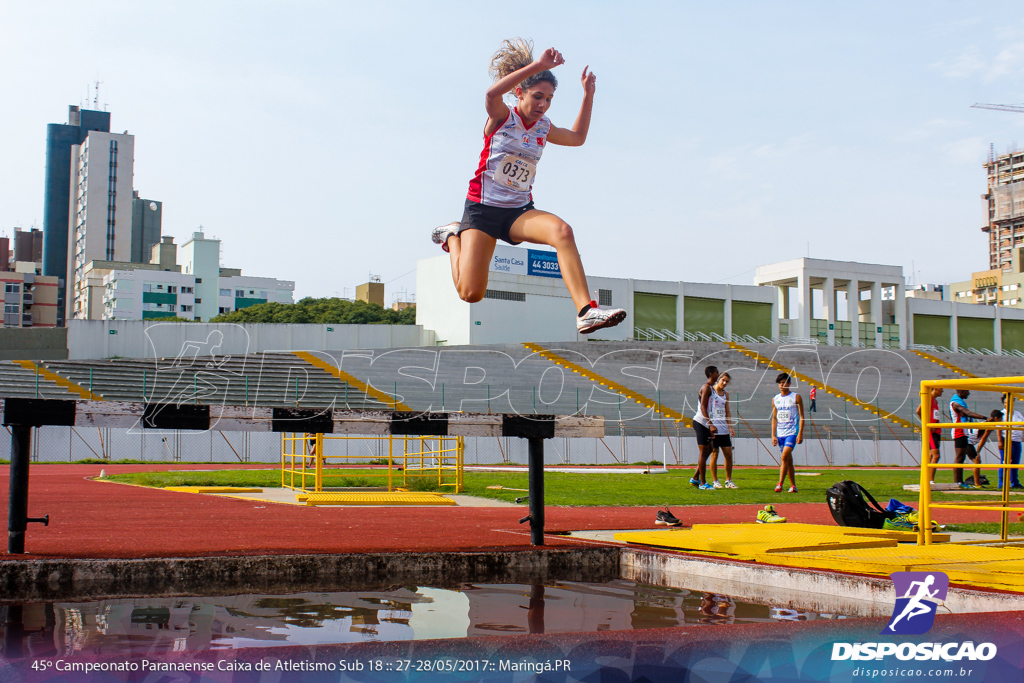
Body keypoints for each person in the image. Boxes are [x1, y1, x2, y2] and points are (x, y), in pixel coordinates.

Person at [431, 39, 627, 335]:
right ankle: (454, 235)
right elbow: (490, 93)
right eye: (537, 96)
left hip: (518, 212)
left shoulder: (543, 127)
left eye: (549, 99)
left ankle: (586, 311)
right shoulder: (501, 117)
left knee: (562, 232)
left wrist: (588, 94)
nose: (543, 105)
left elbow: (577, 138)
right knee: (470, 294)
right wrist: (538, 66)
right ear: (520, 92)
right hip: (482, 211)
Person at [770, 372, 803, 493]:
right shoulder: (775, 399)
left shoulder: (796, 397)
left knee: (784, 456)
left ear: (789, 383)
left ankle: (780, 484)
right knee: (788, 460)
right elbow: (774, 418)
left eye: (784, 382)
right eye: (780, 383)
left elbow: (802, 416)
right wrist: (773, 435)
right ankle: (793, 486)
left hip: (792, 432)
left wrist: (800, 433)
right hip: (780, 434)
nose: (782, 385)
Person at [949, 390, 988, 488]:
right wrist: (984, 417)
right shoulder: (956, 403)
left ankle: (960, 481)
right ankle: (958, 482)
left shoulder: (960, 402)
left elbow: (965, 414)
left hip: (964, 431)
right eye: (967, 392)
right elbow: (968, 413)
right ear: (961, 391)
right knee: (959, 457)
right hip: (959, 431)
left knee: (962, 457)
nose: (969, 394)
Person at [690, 365, 719, 491]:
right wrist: (710, 423)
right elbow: (702, 407)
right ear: (711, 373)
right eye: (717, 372)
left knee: (710, 449)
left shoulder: (712, 389)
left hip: (706, 423)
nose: (718, 375)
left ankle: (695, 477)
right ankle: (702, 483)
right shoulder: (706, 387)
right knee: (703, 452)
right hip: (701, 422)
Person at [707, 372, 738, 489]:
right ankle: (715, 481)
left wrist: (730, 426)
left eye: (727, 381)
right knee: (714, 453)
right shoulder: (710, 392)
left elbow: (727, 411)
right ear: (718, 379)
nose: (724, 383)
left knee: (728, 454)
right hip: (713, 429)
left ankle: (728, 480)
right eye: (723, 380)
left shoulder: (726, 395)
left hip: (724, 429)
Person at [998, 394, 1024, 490]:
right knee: (1005, 462)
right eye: (1005, 402)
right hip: (1007, 440)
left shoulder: (1017, 413)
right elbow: (998, 429)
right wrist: (1000, 441)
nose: (1007, 404)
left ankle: (1015, 482)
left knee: (1015, 462)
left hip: (1017, 440)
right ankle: (1002, 483)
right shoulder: (1002, 414)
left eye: (1009, 402)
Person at [919, 387, 944, 485]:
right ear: (935, 389)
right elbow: (918, 411)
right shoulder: (928, 398)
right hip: (931, 431)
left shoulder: (935, 401)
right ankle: (930, 480)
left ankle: (926, 478)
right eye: (941, 389)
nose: (942, 391)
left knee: (930, 455)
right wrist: (927, 424)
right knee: (936, 455)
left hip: (936, 430)